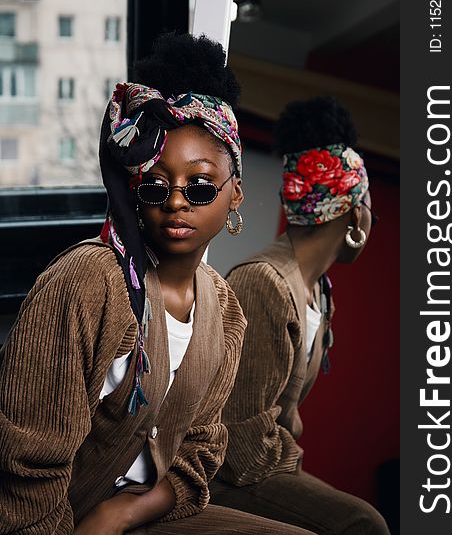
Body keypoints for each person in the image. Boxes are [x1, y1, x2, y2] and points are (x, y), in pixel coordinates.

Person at [0, 34, 314, 535]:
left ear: (235, 194)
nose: (176, 203)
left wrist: (122, 512)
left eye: (201, 185)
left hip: (140, 511)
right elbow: (25, 465)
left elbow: (200, 452)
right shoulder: (86, 283)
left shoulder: (225, 310)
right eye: (154, 185)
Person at [210, 96, 390, 534]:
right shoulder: (264, 283)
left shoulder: (316, 294)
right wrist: (295, 457)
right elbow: (241, 441)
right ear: (354, 212)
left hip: (265, 461)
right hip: (225, 472)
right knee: (362, 524)